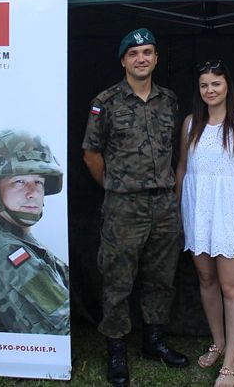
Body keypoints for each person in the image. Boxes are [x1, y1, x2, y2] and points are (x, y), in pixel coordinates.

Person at [83, 28, 189, 387]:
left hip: (164, 205)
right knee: (118, 279)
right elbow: (91, 154)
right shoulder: (106, 101)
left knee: (161, 278)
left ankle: (153, 341)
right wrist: (113, 186)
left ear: (156, 58)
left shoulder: (169, 101)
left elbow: (175, 149)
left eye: (147, 52)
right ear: (123, 61)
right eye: (133, 53)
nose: (141, 58)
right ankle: (116, 350)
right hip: (124, 207)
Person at [175, 60, 234, 387]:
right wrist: (178, 207)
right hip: (197, 211)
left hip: (229, 212)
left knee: (230, 286)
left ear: (227, 87)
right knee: (206, 279)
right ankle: (218, 342)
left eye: (216, 84)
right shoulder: (190, 124)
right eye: (204, 85)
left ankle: (231, 361)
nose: (210, 90)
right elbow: (183, 168)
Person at [0, 129, 70, 334]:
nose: (33, 193)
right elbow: (61, 328)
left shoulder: (15, 239)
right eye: (19, 182)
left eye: (38, 182)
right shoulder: (5, 253)